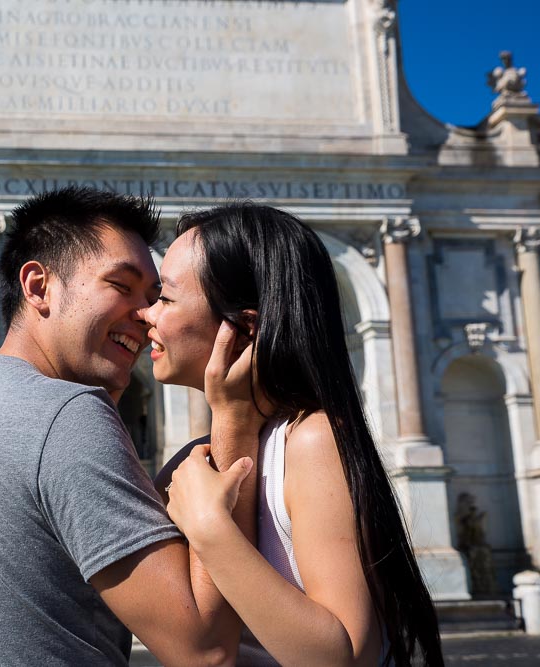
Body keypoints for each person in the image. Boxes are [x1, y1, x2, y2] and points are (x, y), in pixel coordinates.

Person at [0, 187, 255, 666]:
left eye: (154, 296)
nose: (147, 315)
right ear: (38, 286)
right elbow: (206, 651)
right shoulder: (68, 416)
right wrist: (234, 418)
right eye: (122, 286)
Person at [147, 203, 444, 666]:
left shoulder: (312, 440)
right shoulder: (203, 454)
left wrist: (210, 529)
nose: (147, 314)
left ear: (242, 329)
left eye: (164, 297)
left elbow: (345, 656)